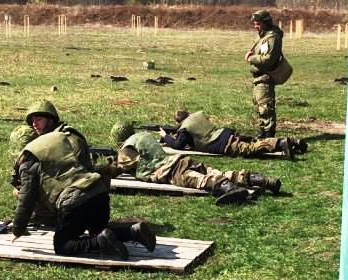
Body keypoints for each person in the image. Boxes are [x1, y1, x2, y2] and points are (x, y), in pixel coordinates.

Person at [11, 131, 156, 260]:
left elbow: (26, 200)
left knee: (63, 245)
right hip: (98, 192)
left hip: (76, 201)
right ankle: (132, 232)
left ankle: (100, 242)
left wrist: (18, 229)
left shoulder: (28, 164)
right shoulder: (55, 144)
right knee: (98, 230)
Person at [110, 122, 283, 206]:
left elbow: (120, 168)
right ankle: (259, 180)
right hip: (181, 160)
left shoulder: (126, 149)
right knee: (217, 172)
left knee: (202, 181)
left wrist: (108, 164)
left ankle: (230, 189)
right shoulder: (143, 136)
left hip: (169, 171)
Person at [9, 100, 93, 226]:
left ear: (50, 119)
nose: (34, 124)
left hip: (75, 197)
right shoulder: (53, 137)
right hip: (75, 195)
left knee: (24, 188)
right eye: (32, 120)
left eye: (38, 119)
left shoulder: (65, 139)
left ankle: (50, 218)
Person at [158, 110, 307, 160]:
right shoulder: (196, 117)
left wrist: (166, 136)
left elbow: (179, 146)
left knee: (250, 149)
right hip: (225, 132)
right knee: (253, 140)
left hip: (221, 144)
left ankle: (282, 144)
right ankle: (292, 142)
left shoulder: (184, 128)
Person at [245, 9, 285, 138]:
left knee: (266, 108)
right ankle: (263, 133)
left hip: (265, 76)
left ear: (266, 22)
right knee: (260, 106)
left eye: (258, 23)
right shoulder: (262, 35)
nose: (255, 26)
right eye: (254, 23)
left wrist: (252, 58)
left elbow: (269, 59)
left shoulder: (272, 37)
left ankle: (268, 137)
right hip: (258, 77)